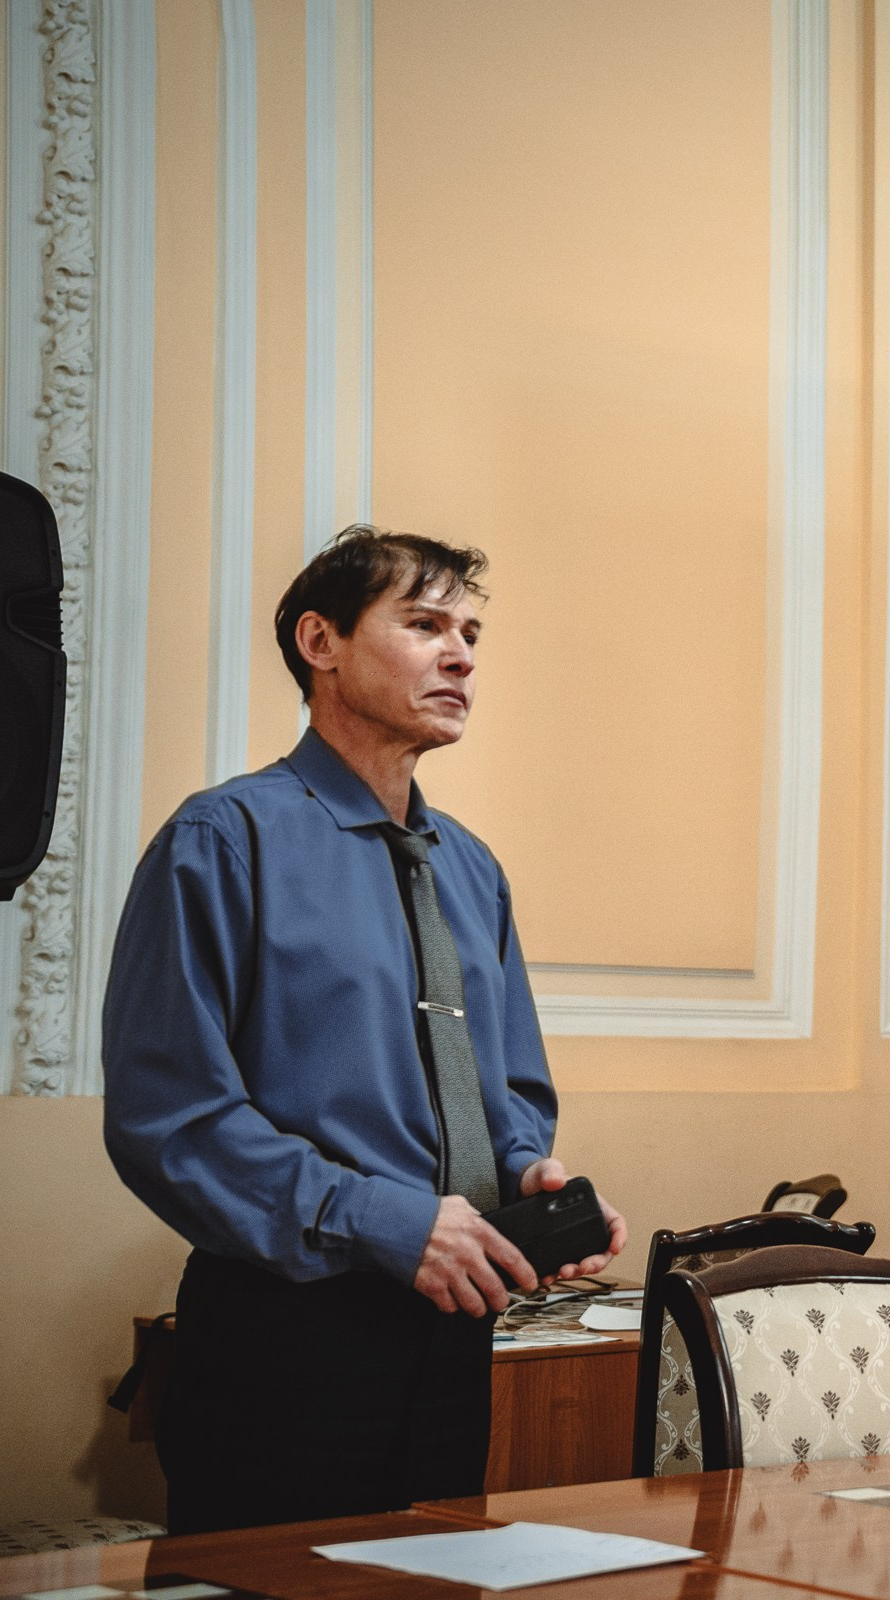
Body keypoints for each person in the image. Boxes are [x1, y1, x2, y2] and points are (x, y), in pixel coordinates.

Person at [103, 526, 626, 1532]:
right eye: (425, 623)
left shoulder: (472, 869)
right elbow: (170, 1118)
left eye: (470, 631)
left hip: (454, 1340)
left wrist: (527, 1177)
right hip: (283, 1341)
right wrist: (389, 1221)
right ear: (321, 641)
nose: (462, 653)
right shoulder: (221, 841)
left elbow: (509, 1088)